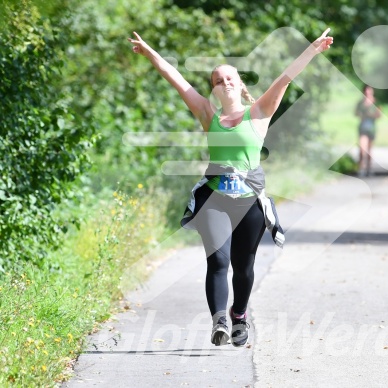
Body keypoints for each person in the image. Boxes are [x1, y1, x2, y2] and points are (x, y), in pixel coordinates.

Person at [128, 28, 333, 347]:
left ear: (239, 84)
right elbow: (176, 79)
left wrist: (312, 50)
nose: (224, 82)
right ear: (213, 90)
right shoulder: (207, 114)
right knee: (218, 261)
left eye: (229, 78)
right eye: (218, 80)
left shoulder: (260, 112)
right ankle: (219, 321)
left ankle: (239, 315)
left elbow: (285, 79)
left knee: (244, 266)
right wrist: (150, 52)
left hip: (250, 200)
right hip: (215, 199)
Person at [355, 85, 381, 177]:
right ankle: (361, 167)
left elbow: (379, 115)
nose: (367, 93)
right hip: (363, 127)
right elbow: (356, 113)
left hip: (372, 128)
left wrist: (372, 114)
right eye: (366, 92)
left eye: (369, 91)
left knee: (369, 150)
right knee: (362, 149)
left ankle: (369, 168)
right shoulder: (360, 103)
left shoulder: (376, 102)